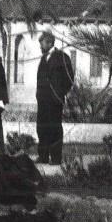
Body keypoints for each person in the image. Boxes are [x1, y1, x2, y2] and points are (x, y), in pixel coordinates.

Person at [35, 31, 75, 165]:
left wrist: (59, 93)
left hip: (55, 100)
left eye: (42, 44)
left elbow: (69, 79)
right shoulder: (43, 58)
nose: (40, 47)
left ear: (50, 43)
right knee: (42, 128)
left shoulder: (63, 57)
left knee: (55, 128)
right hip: (42, 99)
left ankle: (56, 158)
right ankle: (43, 157)